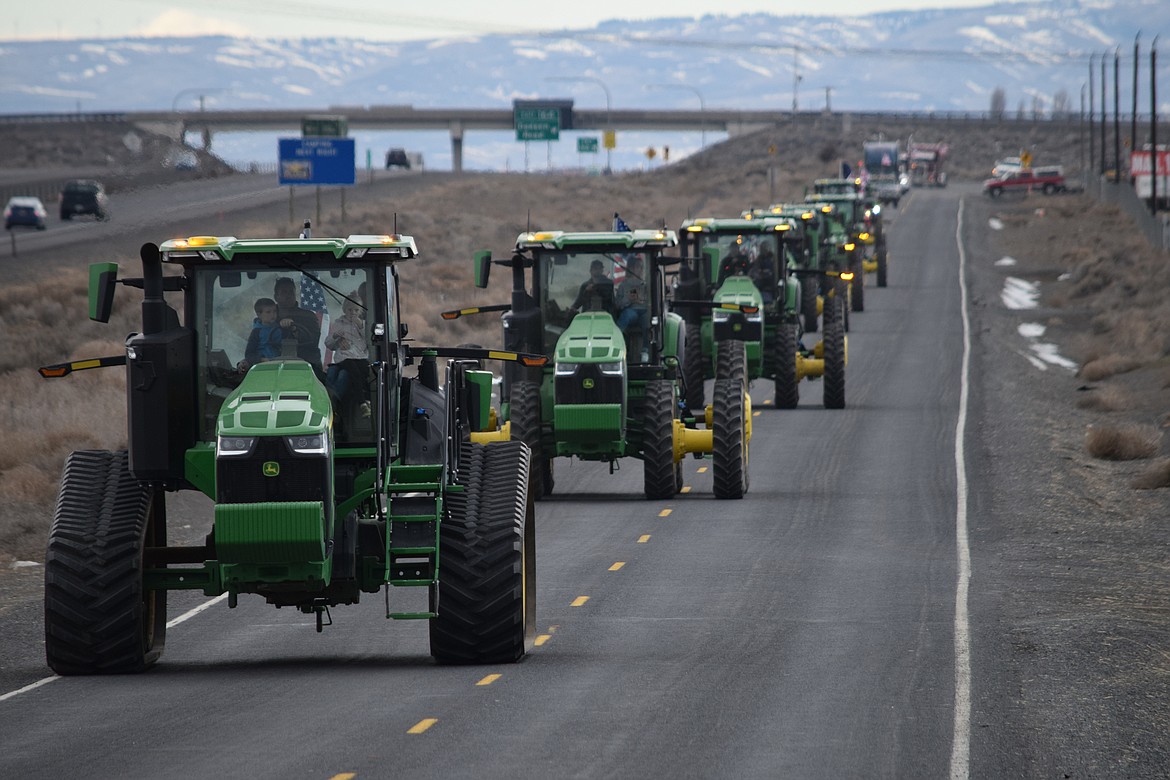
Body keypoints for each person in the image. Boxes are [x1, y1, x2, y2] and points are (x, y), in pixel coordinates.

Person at [273, 276, 323, 372]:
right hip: (272, 364)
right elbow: (259, 343)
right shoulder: (266, 318)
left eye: (291, 292)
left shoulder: (308, 316)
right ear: (276, 296)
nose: (288, 295)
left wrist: (295, 330)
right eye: (284, 292)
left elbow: (314, 341)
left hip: (307, 365)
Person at [324, 294, 368, 402]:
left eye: (356, 310)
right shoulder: (339, 323)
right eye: (349, 310)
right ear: (344, 310)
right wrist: (335, 337)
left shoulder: (364, 325)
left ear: (360, 312)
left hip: (358, 360)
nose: (352, 313)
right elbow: (328, 344)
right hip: (341, 359)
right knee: (331, 372)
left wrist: (361, 326)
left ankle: (334, 402)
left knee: (343, 376)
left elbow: (369, 341)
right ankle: (327, 397)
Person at [239, 297, 282, 371]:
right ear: (259, 314)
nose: (273, 315)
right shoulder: (256, 332)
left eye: (275, 311)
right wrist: (261, 359)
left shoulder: (280, 327)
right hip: (261, 367)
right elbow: (249, 354)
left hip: (280, 364)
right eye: (268, 312)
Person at [615, 255, 649, 333]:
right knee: (627, 314)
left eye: (642, 267)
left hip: (645, 311)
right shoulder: (623, 285)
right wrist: (628, 299)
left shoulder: (646, 284)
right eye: (638, 267)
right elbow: (617, 305)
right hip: (631, 311)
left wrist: (642, 300)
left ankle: (646, 345)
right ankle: (617, 335)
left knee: (648, 319)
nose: (641, 270)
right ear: (630, 269)